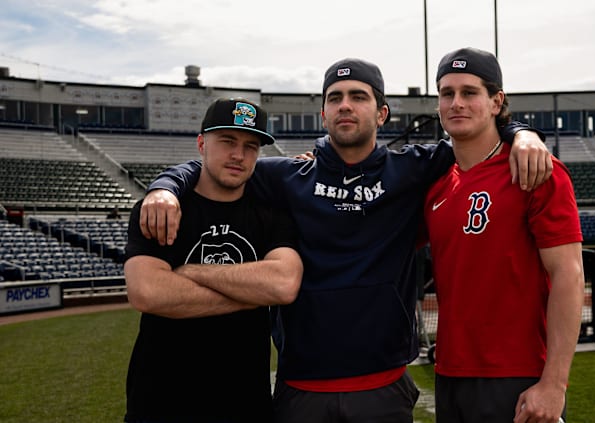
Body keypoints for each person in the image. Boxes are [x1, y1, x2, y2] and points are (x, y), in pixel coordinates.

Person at [138, 58, 552, 423]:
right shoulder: (287, 177)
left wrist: (523, 132)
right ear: (323, 113)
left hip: (383, 385)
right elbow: (216, 162)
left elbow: (476, 134)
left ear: (382, 112)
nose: (345, 105)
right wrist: (165, 187)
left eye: (358, 96)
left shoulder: (416, 169)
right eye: (335, 98)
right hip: (301, 386)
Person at [424, 47, 584, 423]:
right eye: (447, 94)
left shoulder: (536, 170)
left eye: (469, 92)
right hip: (450, 375)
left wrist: (554, 384)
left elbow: (569, 274)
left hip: (517, 375)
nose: (456, 103)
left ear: (497, 101)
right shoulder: (435, 185)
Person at [123, 98, 303, 423]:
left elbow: (283, 284)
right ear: (202, 143)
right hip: (160, 403)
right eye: (228, 142)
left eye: (251, 146)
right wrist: (249, 293)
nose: (239, 155)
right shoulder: (161, 210)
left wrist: (190, 273)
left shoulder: (271, 215)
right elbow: (147, 292)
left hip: (245, 404)